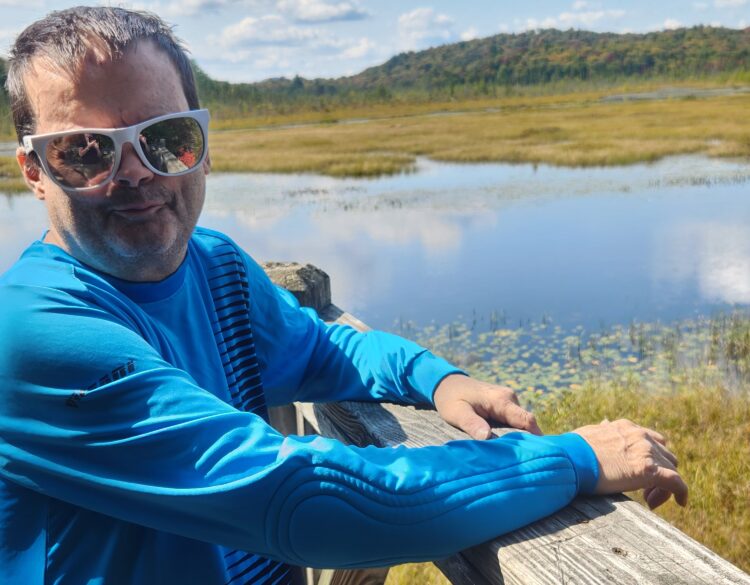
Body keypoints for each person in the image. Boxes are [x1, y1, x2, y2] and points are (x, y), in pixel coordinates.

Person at [0, 6, 687, 585]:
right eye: (84, 151)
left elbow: (325, 346)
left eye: (166, 139)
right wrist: (572, 458)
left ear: (204, 145)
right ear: (32, 169)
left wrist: (435, 377)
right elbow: (303, 503)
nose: (136, 174)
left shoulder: (213, 264)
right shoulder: (33, 334)